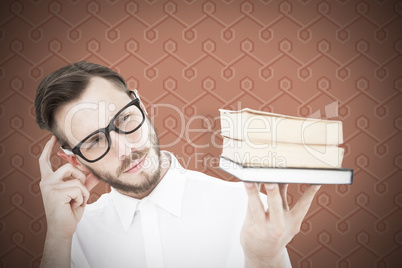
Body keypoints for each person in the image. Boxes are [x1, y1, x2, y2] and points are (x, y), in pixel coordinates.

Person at [35, 61, 320, 268]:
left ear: (142, 108)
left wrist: (265, 259)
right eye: (95, 141)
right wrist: (57, 240)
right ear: (74, 159)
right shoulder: (71, 238)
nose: (125, 149)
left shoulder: (247, 211)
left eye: (124, 119)